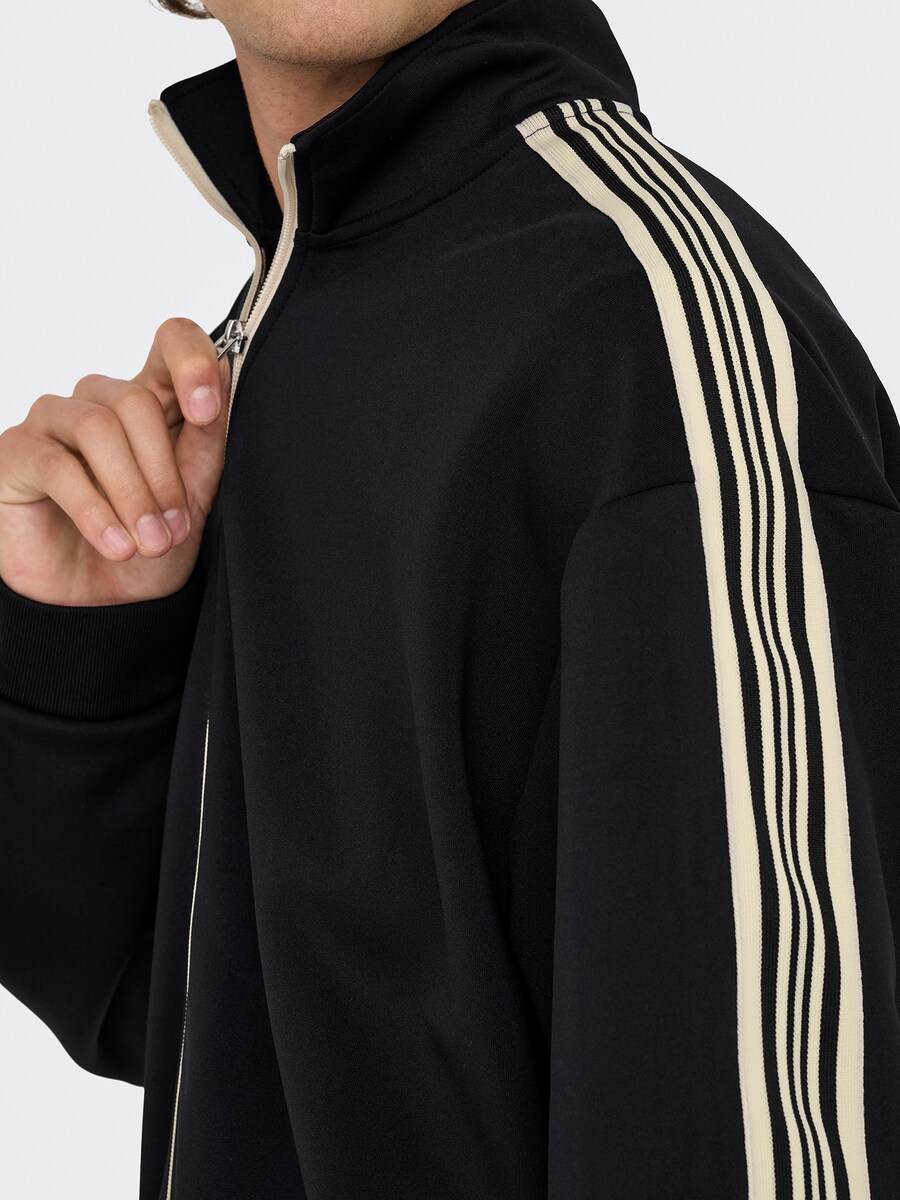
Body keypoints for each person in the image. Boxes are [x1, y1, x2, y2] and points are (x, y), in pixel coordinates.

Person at [1, 0, 898, 1195]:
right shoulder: (279, 346)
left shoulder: (653, 341)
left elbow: (765, 1132)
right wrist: (79, 652)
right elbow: (223, 1029)